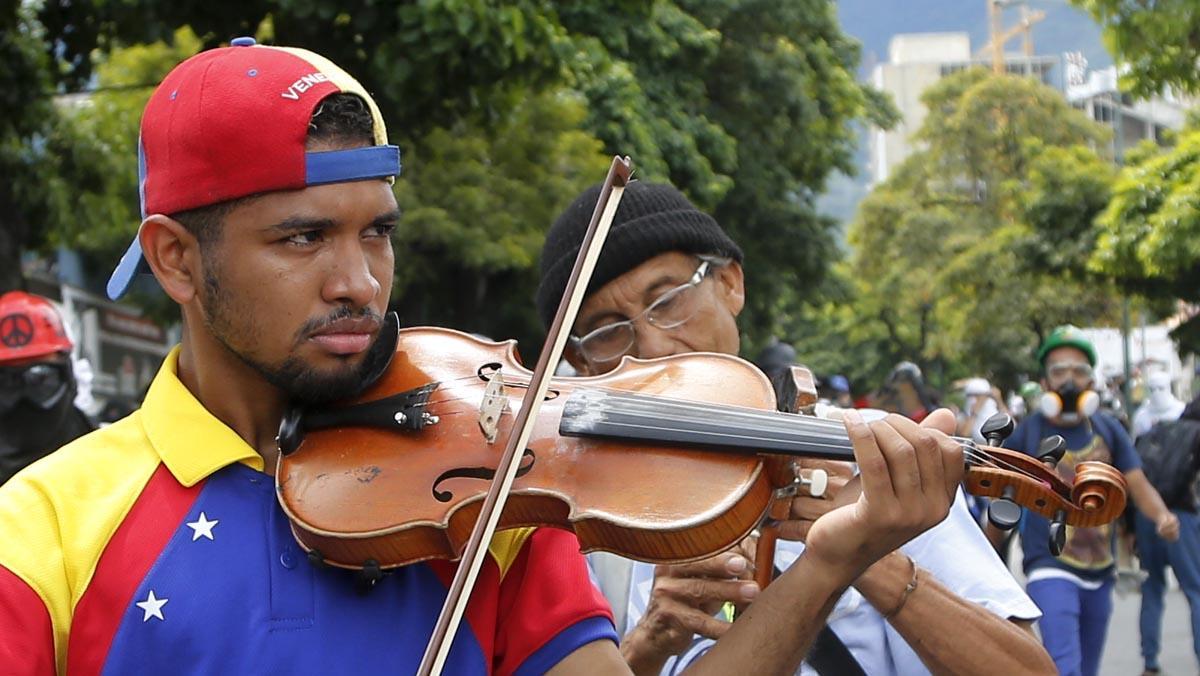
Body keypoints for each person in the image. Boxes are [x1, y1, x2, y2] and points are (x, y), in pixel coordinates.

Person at [0, 41, 965, 674]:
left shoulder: (483, 498)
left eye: (376, 234)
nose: (359, 282)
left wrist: (826, 560)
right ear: (176, 257)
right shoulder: (42, 532)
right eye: (301, 240)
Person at [537, 181, 1053, 675]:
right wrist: (645, 647)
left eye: (668, 300)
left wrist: (873, 559)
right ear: (582, 365)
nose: (651, 347)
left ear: (730, 283)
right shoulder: (580, 516)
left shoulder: (869, 455)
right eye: (607, 333)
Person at [1001, 325, 1182, 676]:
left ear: (1091, 380)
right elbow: (1001, 492)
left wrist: (1162, 517)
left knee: (1087, 670)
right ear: (1045, 383)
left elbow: (1136, 482)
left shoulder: (1108, 429)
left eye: (1079, 371)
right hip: (1049, 567)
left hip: (1102, 570)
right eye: (1059, 371)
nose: (1069, 380)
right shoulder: (1029, 431)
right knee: (1064, 667)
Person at [1133, 393, 1200, 675]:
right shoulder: (1196, 435)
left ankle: (1150, 661)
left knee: (1152, 588)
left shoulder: (1154, 433)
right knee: (1195, 590)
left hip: (1146, 516)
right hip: (1180, 516)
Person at [0, 291, 93, 484]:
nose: (22, 401)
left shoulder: (115, 468)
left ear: (70, 376)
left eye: (40, 379)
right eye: (5, 383)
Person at [1132, 372, 1185, 440]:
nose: (1156, 393)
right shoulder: (1141, 415)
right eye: (1152, 389)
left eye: (1161, 388)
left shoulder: (1181, 410)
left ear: (1169, 388)